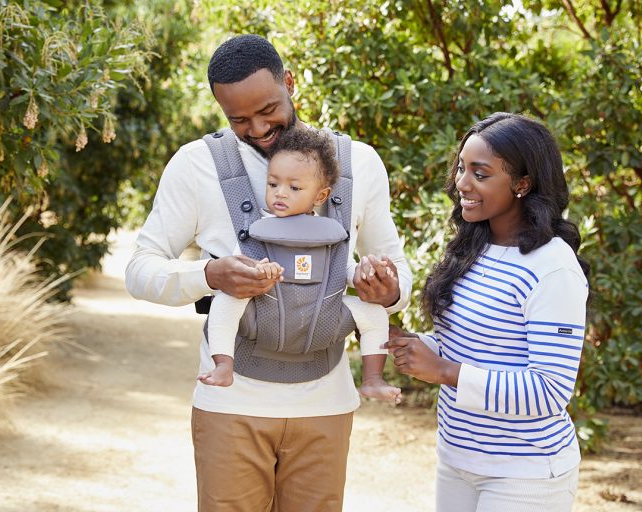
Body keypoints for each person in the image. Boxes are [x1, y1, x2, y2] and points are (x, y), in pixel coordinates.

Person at [125, 34, 411, 511]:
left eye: (267, 110)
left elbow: (396, 274)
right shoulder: (195, 165)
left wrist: (387, 288)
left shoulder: (359, 163)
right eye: (238, 119)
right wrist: (211, 275)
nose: (257, 128)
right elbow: (140, 270)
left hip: (326, 403)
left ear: (290, 84)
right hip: (231, 405)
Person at [385, 112, 589, 512]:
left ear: (522, 184)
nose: (462, 183)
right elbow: (464, 343)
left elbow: (550, 391)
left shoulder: (552, 267)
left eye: (480, 173)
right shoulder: (472, 248)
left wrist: (445, 372)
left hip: (524, 473)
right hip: (458, 460)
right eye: (462, 168)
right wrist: (404, 340)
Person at [199, 127, 402, 404]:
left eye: (294, 188)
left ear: (321, 196)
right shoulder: (258, 227)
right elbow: (241, 264)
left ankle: (373, 379)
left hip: (324, 317)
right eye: (273, 184)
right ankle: (223, 363)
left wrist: (363, 275)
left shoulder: (331, 230)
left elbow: (339, 270)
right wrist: (259, 271)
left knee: (375, 314)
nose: (280, 193)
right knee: (225, 301)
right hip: (262, 316)